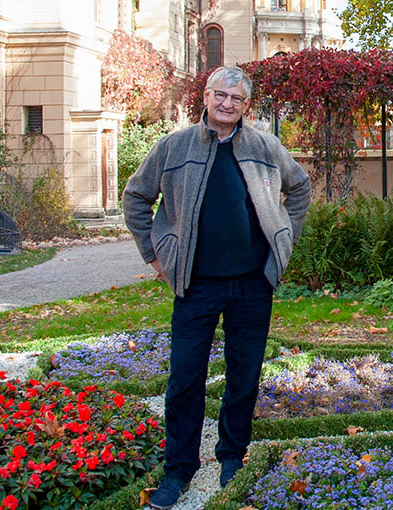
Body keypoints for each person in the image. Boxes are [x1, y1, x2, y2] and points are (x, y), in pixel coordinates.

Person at [123, 66, 311, 509]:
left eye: (237, 99)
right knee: (185, 380)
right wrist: (154, 255)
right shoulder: (175, 145)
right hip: (195, 285)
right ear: (205, 96)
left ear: (247, 106)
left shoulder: (265, 147)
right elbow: (136, 197)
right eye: (220, 95)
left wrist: (283, 241)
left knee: (243, 377)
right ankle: (178, 470)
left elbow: (299, 189)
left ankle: (231, 455)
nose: (227, 104)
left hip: (252, 283)